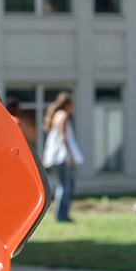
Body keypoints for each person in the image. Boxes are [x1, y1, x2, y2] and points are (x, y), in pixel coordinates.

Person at [42, 92, 83, 223]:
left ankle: (62, 214)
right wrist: (70, 156)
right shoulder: (63, 115)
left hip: (57, 157)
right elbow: (63, 136)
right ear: (67, 104)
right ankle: (61, 215)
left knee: (64, 185)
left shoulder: (57, 115)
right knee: (66, 185)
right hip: (62, 157)